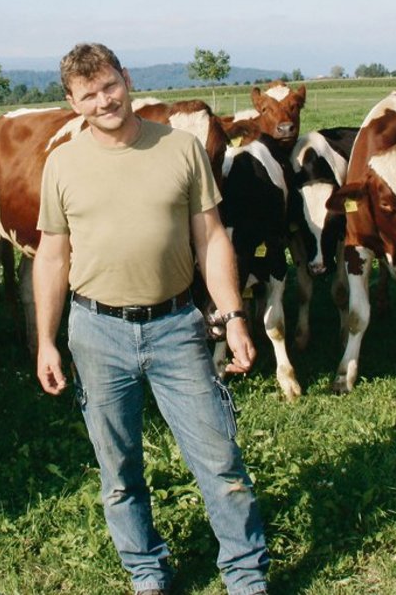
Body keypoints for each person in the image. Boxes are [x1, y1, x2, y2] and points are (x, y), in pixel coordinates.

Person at [34, 42, 269, 595]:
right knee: (118, 472)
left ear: (127, 79)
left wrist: (233, 317)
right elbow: (51, 256)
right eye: (88, 94)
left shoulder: (180, 149)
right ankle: (147, 573)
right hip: (96, 331)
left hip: (176, 326)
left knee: (220, 461)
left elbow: (211, 239)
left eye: (110, 85)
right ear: (72, 102)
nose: (103, 100)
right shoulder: (63, 163)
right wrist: (46, 340)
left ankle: (246, 576)